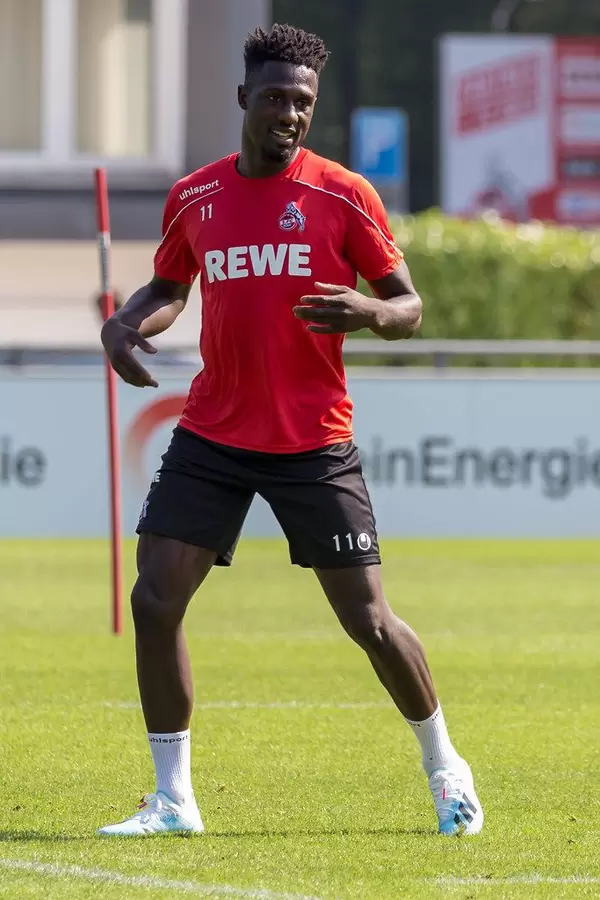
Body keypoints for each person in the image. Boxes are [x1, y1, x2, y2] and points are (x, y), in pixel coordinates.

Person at [97, 23, 483, 838]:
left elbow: (408, 306)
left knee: (368, 620)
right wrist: (126, 325)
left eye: (302, 102)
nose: (290, 114)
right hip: (214, 433)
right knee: (155, 598)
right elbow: (170, 286)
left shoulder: (343, 195)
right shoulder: (195, 196)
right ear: (245, 98)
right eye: (275, 98)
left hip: (312, 441)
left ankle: (447, 767)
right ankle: (174, 800)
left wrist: (370, 309)